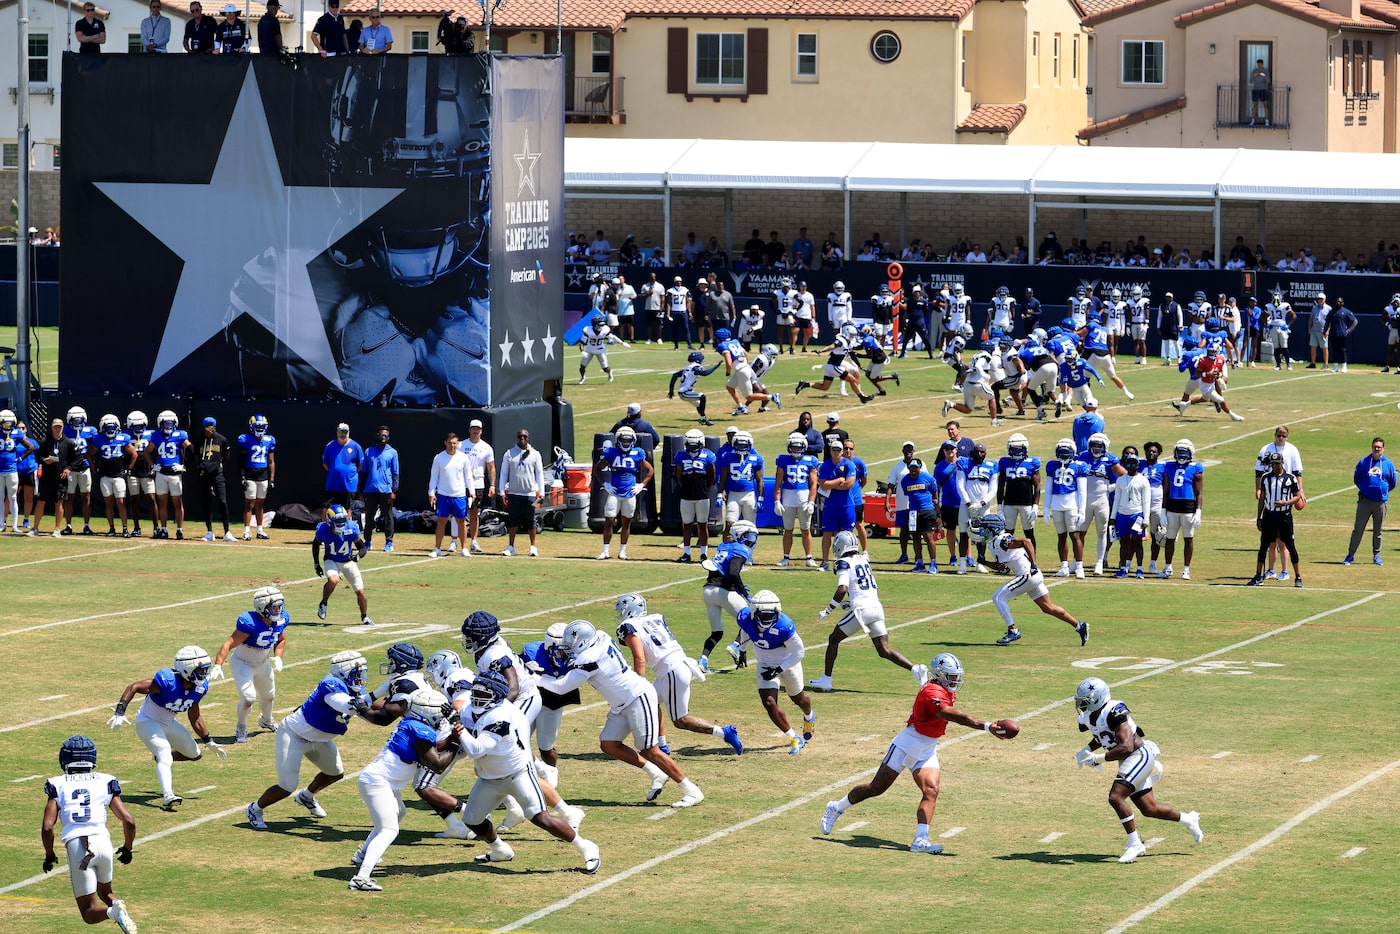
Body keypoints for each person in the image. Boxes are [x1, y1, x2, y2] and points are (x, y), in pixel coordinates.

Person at [821, 653, 1015, 853]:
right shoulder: (933, 692)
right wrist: (987, 726)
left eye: (956, 676)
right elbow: (955, 716)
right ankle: (837, 807)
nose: (955, 681)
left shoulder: (939, 688)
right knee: (875, 788)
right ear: (940, 675)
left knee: (931, 790)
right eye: (951, 676)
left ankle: (920, 839)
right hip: (906, 745)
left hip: (927, 748)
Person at [537, 621, 705, 808]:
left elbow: (560, 688)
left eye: (571, 646)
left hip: (637, 697)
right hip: (623, 702)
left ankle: (691, 790)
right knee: (609, 743)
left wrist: (534, 678)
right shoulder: (600, 635)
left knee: (650, 750)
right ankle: (656, 773)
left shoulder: (589, 658)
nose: (569, 650)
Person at [1073, 677, 1203, 863]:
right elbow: (1102, 736)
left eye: (1084, 701)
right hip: (1127, 759)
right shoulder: (1090, 716)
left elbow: (1126, 746)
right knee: (1149, 808)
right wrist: (1085, 749)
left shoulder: (1113, 711)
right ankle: (1188, 819)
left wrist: (1098, 758)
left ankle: (1135, 844)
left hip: (1138, 756)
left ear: (1097, 699)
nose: (1081, 705)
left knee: (1115, 797)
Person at [348, 689, 463, 890]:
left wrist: (453, 735)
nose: (440, 718)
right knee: (389, 829)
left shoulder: (412, 724)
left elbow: (435, 745)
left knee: (399, 813)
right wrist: (455, 741)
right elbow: (437, 764)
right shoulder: (419, 731)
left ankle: (362, 854)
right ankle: (361, 877)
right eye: (438, 714)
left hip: (382, 780)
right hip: (378, 781)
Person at [246, 651, 369, 832]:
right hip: (294, 735)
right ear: (343, 673)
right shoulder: (331, 684)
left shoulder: (354, 691)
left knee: (335, 773)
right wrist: (372, 698)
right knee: (287, 786)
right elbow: (345, 705)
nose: (360, 678)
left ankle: (306, 796)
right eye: (356, 673)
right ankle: (255, 809)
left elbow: (370, 714)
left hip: (320, 739)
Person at [615, 593, 743, 756]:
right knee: (651, 702)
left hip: (671, 671)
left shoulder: (629, 626)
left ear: (629, 610)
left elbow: (639, 658)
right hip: (678, 665)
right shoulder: (655, 618)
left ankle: (724, 732)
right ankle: (661, 747)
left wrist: (639, 684)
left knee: (680, 720)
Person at [40, 736, 139, 934]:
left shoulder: (57, 784)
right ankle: (120, 913)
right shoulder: (105, 780)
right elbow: (128, 820)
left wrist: (49, 855)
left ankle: (113, 913)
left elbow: (47, 827)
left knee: (88, 911)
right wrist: (128, 848)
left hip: (80, 846)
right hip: (103, 842)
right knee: (106, 892)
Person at [107, 645, 226, 810]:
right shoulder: (167, 682)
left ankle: (161, 759)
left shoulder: (199, 687)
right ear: (187, 669)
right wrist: (120, 711)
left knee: (195, 754)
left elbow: (195, 716)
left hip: (169, 723)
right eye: (200, 670)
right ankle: (168, 796)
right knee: (164, 754)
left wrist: (208, 740)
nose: (204, 674)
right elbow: (134, 687)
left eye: (205, 670)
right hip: (148, 721)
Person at [809, 530, 924, 692]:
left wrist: (828, 610)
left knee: (833, 639)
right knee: (884, 650)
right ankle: (916, 669)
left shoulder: (843, 562)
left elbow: (843, 588)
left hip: (862, 610)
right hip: (876, 607)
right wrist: (850, 602)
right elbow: (862, 586)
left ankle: (826, 680)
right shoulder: (863, 559)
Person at [734, 591, 815, 754]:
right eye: (763, 616)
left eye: (770, 615)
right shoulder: (746, 619)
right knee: (769, 703)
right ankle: (794, 738)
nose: (767, 619)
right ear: (754, 613)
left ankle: (809, 716)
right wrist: (742, 650)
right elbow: (746, 630)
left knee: (799, 699)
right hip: (765, 663)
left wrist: (778, 669)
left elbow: (799, 652)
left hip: (788, 662)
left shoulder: (784, 625)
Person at [211, 586, 289, 743]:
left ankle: (266, 720)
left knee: (269, 696)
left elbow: (281, 639)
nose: (278, 610)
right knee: (248, 698)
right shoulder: (250, 622)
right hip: (243, 663)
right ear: (262, 607)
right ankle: (241, 726)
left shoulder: (281, 619)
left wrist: (278, 657)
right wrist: (218, 664)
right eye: (274, 607)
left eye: (279, 606)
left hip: (262, 663)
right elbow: (229, 643)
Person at [700, 519, 759, 672]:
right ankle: (736, 646)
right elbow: (733, 572)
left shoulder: (724, 546)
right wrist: (744, 592)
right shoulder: (741, 549)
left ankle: (703, 660)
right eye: (749, 537)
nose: (752, 541)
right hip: (724, 592)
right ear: (739, 535)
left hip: (708, 590)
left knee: (717, 631)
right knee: (751, 620)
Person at [595, 425, 653, 560]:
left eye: (628, 440)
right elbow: (598, 468)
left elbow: (650, 470)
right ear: (618, 440)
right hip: (614, 492)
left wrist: (641, 485)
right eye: (624, 440)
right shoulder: (612, 453)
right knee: (609, 520)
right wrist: (604, 483)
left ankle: (622, 551)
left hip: (630, 493)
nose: (626, 443)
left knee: (626, 523)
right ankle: (606, 551)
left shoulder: (637, 453)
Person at [1253, 426, 1303, 579]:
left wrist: (1296, 494)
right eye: (1279, 435)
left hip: (1284, 512)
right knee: (1269, 543)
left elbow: (1298, 473)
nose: (1281, 438)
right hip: (1270, 512)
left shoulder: (1292, 454)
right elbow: (1258, 472)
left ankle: (1288, 572)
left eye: (1284, 435)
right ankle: (1269, 570)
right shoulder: (1266, 475)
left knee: (1284, 542)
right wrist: (1259, 514)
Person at [313, 504, 373, 626]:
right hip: (331, 560)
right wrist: (316, 563)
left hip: (347, 561)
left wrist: (358, 556)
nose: (341, 524)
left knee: (361, 593)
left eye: (343, 520)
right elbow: (315, 545)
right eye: (338, 521)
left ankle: (364, 617)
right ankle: (324, 603)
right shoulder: (323, 529)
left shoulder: (351, 528)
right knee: (333, 580)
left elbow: (362, 548)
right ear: (330, 521)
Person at [1077, 432, 1126, 577]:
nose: (1096, 449)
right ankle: (1077, 561)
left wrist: (1112, 487)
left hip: (1101, 500)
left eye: (1099, 446)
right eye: (1094, 446)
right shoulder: (1082, 456)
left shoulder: (1110, 460)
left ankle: (1099, 562)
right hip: (1085, 500)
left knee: (1102, 532)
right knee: (1080, 532)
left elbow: (1126, 475)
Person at [1344, 437, 1395, 566]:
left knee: (1378, 530)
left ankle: (1376, 555)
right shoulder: (1363, 462)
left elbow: (1393, 483)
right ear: (1372, 447)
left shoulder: (1388, 464)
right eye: (1375, 447)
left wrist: (1382, 491)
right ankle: (1350, 555)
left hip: (1381, 503)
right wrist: (1366, 489)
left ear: (1383, 448)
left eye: (1379, 447)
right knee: (1358, 528)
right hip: (1365, 501)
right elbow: (1357, 479)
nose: (1377, 449)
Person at [1159, 439, 1203, 580]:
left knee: (1188, 538)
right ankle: (1168, 568)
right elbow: (1166, 490)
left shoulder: (1196, 467)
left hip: (1188, 507)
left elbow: (1199, 493)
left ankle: (1186, 569)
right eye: (1180, 453)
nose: (1182, 456)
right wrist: (1163, 510)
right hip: (1172, 507)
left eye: (1185, 453)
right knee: (1170, 539)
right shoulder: (1168, 466)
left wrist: (1198, 511)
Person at [674, 428, 718, 564]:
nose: (692, 449)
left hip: (702, 496)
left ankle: (703, 554)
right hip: (686, 496)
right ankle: (686, 553)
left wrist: (704, 488)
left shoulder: (708, 456)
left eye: (695, 446)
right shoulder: (681, 456)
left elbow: (712, 476)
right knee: (686, 525)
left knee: (702, 525)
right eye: (690, 446)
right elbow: (679, 476)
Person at [775, 432, 819, 567]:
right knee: (788, 530)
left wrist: (811, 501)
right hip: (788, 499)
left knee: (806, 530)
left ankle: (809, 558)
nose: (796, 449)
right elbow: (778, 484)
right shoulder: (783, 460)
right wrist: (777, 501)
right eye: (794, 447)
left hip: (804, 499)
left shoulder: (810, 461)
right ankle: (786, 557)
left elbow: (813, 484)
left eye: (798, 447)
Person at [499, 428, 544, 557]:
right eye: (520, 436)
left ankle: (533, 547)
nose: (522, 438)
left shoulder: (535, 454)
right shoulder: (509, 454)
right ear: (517, 438)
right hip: (514, 493)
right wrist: (502, 492)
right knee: (513, 520)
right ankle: (511, 546)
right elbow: (504, 473)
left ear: (528, 438)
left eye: (524, 436)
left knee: (531, 520)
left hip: (530, 493)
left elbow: (539, 474)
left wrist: (541, 492)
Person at [89, 414, 136, 538]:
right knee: (108, 502)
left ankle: (125, 528)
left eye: (112, 428)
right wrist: (94, 467)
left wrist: (129, 469)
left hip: (119, 475)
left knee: (120, 502)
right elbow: (89, 454)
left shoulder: (123, 438)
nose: (110, 430)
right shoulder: (98, 439)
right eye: (108, 428)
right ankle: (111, 528)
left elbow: (134, 454)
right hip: (105, 475)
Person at [428, 432, 473, 557]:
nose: (452, 445)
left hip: (459, 495)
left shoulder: (463, 457)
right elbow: (434, 477)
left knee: (461, 522)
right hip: (443, 495)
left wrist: (472, 491)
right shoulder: (439, 458)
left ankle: (464, 549)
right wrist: (431, 492)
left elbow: (468, 476)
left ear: (457, 444)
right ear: (445, 443)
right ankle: (437, 549)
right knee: (441, 522)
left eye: (454, 443)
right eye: (450, 443)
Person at [147, 410, 190, 540]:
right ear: (160, 424)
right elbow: (147, 452)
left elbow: (190, 449)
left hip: (175, 474)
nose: (168, 426)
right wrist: (153, 465)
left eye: (170, 424)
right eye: (165, 424)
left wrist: (184, 466)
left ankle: (179, 530)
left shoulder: (180, 435)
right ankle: (164, 529)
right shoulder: (156, 436)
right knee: (162, 503)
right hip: (161, 473)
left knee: (177, 503)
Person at [818, 439, 859, 570]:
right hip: (830, 505)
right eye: (834, 450)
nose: (836, 452)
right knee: (827, 533)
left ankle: (847, 560)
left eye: (838, 450)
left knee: (848, 534)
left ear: (842, 452)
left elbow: (849, 484)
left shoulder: (848, 464)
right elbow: (823, 485)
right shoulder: (825, 465)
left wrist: (832, 484)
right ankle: (825, 561)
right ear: (830, 451)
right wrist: (839, 480)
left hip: (847, 505)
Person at [1109, 447, 1151, 578]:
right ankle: (1123, 567)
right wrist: (1113, 517)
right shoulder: (1120, 480)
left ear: (1138, 465)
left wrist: (1146, 519)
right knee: (1124, 542)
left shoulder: (1143, 480)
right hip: (1122, 515)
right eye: (1129, 463)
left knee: (1137, 542)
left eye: (1134, 463)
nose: (1131, 466)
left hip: (1136, 514)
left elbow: (1146, 501)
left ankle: (1139, 568)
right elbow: (1116, 500)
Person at [194, 417, 235, 542]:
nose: (211, 431)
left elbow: (226, 456)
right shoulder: (199, 439)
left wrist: (218, 466)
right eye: (209, 428)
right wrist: (200, 467)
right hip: (204, 475)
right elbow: (196, 455)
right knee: (207, 502)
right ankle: (209, 532)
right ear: (205, 428)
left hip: (217, 474)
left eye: (213, 428)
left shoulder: (222, 439)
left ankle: (227, 532)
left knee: (222, 501)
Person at [237, 414, 276, 541]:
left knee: (260, 504)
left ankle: (260, 530)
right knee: (249, 504)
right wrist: (242, 476)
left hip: (263, 475)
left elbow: (271, 461)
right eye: (257, 426)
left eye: (262, 426)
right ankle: (247, 531)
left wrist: (272, 478)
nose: (260, 429)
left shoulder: (269, 440)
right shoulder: (245, 439)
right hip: (250, 474)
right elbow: (241, 460)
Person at [898, 456, 941, 573]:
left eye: (915, 468)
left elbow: (935, 493)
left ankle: (933, 563)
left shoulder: (928, 478)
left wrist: (937, 511)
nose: (913, 470)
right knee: (915, 537)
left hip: (927, 510)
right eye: (911, 468)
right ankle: (919, 562)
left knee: (928, 536)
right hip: (913, 511)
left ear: (920, 468)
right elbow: (907, 493)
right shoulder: (905, 480)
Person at [716, 429, 763, 534]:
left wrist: (760, 498)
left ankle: (750, 545)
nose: (742, 448)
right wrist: (720, 493)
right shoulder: (727, 457)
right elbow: (723, 478)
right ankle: (727, 545)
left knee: (750, 526)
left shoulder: (755, 458)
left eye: (744, 445)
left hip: (749, 494)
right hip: (733, 495)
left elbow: (760, 480)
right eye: (739, 445)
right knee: (729, 524)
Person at [359, 425, 397, 552]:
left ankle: (389, 542)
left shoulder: (392, 452)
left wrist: (394, 490)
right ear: (377, 435)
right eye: (381, 435)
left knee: (387, 517)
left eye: (386, 436)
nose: (383, 437)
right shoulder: (369, 451)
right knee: (369, 517)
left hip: (386, 490)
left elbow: (395, 473)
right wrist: (361, 490)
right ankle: (367, 541)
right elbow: (364, 472)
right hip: (370, 489)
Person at [461, 420, 496, 554]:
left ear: (481, 431)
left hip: (478, 484)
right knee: (458, 512)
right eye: (473, 429)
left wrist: (492, 485)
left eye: (478, 429)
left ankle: (474, 541)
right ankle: (454, 540)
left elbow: (491, 467)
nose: (475, 431)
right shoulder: (461, 445)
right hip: (461, 484)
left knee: (474, 513)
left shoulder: (486, 448)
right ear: (469, 430)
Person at [61, 406, 97, 536]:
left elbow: (96, 446)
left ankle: (86, 525)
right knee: (69, 498)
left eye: (79, 420)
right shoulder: (65, 430)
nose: (77, 423)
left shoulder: (90, 431)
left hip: (84, 468)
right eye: (74, 420)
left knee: (86, 497)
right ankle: (68, 525)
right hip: (70, 469)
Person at [0, 409, 36, 532]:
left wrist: (20, 458)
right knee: (1, 497)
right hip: (0, 470)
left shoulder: (17, 433)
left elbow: (31, 447)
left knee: (13, 497)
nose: (7, 426)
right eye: (5, 424)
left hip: (12, 470)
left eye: (9, 424)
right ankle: (1, 523)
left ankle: (15, 525)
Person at [669, 350, 722, 426]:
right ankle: (703, 419)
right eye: (701, 359)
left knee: (699, 404)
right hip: (685, 393)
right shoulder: (695, 367)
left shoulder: (688, 367)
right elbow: (705, 373)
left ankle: (703, 419)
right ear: (698, 360)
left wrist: (671, 391)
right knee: (702, 397)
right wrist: (715, 367)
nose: (702, 361)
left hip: (686, 392)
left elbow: (675, 375)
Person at [322, 422, 362, 509]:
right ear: (337, 432)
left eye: (345, 432)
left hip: (349, 485)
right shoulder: (329, 446)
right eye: (341, 432)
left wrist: (350, 473)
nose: (343, 434)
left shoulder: (356, 446)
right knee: (326, 508)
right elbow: (325, 463)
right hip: (333, 484)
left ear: (349, 432)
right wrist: (334, 471)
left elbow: (360, 464)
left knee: (348, 509)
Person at [578, 312, 626, 385]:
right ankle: (582, 377)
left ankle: (609, 372)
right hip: (590, 350)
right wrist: (582, 351)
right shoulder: (588, 330)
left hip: (600, 350)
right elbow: (581, 342)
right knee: (582, 367)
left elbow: (612, 337)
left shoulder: (605, 330)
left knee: (605, 368)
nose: (602, 326)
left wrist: (622, 343)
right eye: (600, 324)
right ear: (595, 325)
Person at [1326, 298, 1357, 373]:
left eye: (1340, 302)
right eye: (1337, 301)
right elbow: (1327, 322)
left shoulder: (1346, 311)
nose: (1338, 303)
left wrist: (1349, 330)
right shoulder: (1331, 312)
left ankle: (1344, 366)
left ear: (1343, 303)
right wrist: (1325, 331)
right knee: (1334, 350)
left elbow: (1355, 321)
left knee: (1342, 350)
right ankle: (1335, 367)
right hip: (1333, 334)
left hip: (1342, 334)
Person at [1249, 58, 1270, 126]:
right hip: (1255, 89)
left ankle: (1267, 121)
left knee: (1265, 105)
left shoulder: (1265, 71)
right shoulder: (1255, 71)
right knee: (1255, 105)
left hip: (1263, 89)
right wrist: (1254, 76)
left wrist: (1264, 76)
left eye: (1260, 65)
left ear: (1262, 64)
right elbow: (1250, 81)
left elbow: (1268, 81)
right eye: (1258, 65)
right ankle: (1253, 120)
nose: (1259, 66)